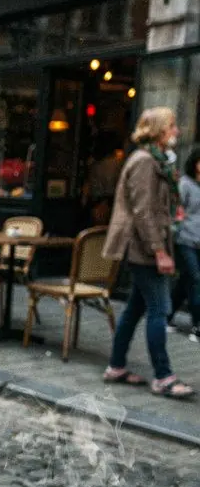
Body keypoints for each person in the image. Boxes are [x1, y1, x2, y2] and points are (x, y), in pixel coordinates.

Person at [102, 107, 193, 399]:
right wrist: (159, 252)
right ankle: (163, 377)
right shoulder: (144, 162)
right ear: (158, 130)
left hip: (145, 247)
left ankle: (116, 366)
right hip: (143, 248)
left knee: (134, 309)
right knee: (160, 309)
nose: (177, 131)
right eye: (172, 126)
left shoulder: (155, 161)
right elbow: (143, 212)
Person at [171, 147, 200, 338]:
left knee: (185, 281)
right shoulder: (185, 184)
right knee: (196, 279)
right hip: (185, 240)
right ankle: (197, 326)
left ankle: (166, 316)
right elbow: (177, 212)